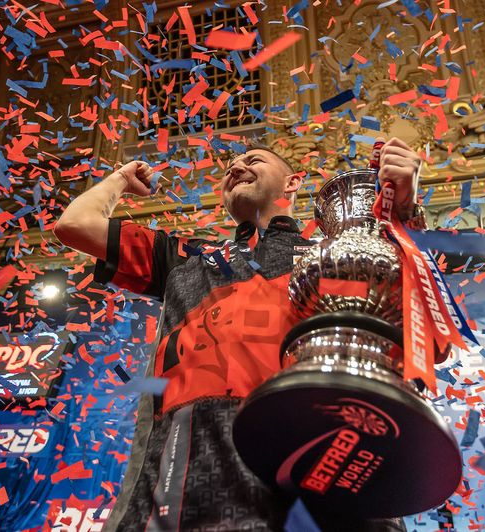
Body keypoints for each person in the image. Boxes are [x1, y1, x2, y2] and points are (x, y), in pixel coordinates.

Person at [53, 137, 427, 531]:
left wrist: (402, 213)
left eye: (253, 160)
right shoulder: (185, 257)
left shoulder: (336, 255)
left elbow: (412, 332)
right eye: (229, 166)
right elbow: (75, 225)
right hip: (188, 469)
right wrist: (120, 179)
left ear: (293, 183)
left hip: (317, 451)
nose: (234, 168)